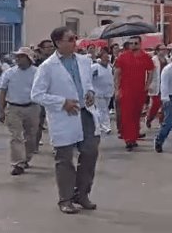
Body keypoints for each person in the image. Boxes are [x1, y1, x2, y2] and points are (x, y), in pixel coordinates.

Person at [31, 27, 100, 214]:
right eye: (70, 39)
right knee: (64, 159)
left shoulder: (84, 61)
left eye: (75, 38)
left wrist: (91, 93)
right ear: (58, 43)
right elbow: (37, 94)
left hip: (85, 112)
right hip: (64, 115)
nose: (74, 42)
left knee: (90, 154)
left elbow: (87, 83)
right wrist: (62, 102)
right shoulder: (47, 67)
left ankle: (82, 194)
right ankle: (66, 199)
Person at [0, 47, 40, 176]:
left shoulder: (38, 72)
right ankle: (17, 163)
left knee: (31, 136)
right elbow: (3, 90)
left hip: (32, 107)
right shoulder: (9, 73)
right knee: (15, 136)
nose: (18, 59)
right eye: (17, 56)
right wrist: (1, 109)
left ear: (29, 59)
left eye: (21, 56)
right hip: (13, 107)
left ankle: (26, 158)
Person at [114, 36, 154, 151]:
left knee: (136, 115)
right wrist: (117, 89)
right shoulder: (123, 57)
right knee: (127, 115)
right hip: (126, 90)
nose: (133, 45)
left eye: (136, 43)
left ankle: (134, 137)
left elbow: (151, 71)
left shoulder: (146, 57)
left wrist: (147, 85)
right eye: (131, 43)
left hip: (140, 90)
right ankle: (128, 140)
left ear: (140, 44)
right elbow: (117, 73)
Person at [33, 39, 55, 152]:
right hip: (41, 95)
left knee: (55, 121)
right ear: (41, 49)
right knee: (38, 122)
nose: (51, 49)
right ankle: (35, 145)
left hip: (54, 94)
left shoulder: (57, 61)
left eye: (52, 47)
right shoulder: (37, 63)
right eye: (48, 47)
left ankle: (57, 145)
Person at [91, 48, 114, 134]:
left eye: (107, 57)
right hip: (98, 92)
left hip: (108, 92)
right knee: (102, 109)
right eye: (104, 57)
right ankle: (106, 127)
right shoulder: (95, 67)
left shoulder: (110, 67)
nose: (106, 59)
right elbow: (89, 78)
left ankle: (99, 124)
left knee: (105, 109)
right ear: (100, 58)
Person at [146, 44, 168, 129]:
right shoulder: (153, 60)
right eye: (162, 49)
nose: (164, 51)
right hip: (155, 84)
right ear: (157, 51)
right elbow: (149, 73)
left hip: (165, 85)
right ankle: (149, 118)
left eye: (165, 49)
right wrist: (148, 84)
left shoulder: (167, 60)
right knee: (155, 104)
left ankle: (161, 121)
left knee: (164, 105)